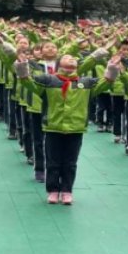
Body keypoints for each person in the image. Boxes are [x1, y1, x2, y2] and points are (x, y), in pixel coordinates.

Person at [15, 53, 121, 205]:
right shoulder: (49, 80)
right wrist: (22, 68)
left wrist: (112, 68)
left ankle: (66, 190)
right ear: (59, 64)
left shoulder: (85, 83)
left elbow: (106, 82)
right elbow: (27, 82)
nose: (71, 58)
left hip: (75, 128)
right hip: (53, 127)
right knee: (53, 161)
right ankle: (53, 190)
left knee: (70, 162)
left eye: (73, 57)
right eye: (66, 57)